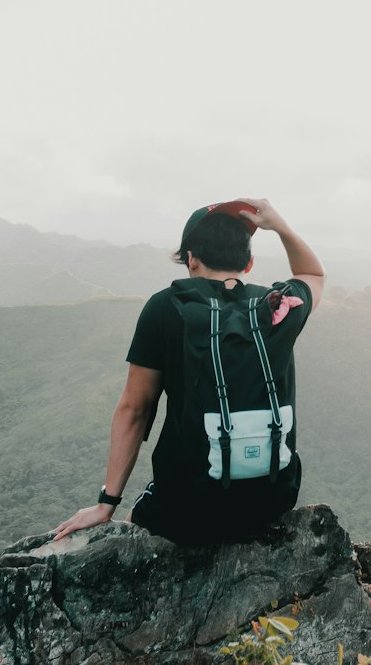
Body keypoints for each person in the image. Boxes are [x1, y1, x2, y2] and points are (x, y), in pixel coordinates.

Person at [52, 197, 325, 546]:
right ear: (250, 262)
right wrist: (281, 226)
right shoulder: (280, 306)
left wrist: (107, 503)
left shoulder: (165, 307)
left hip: (186, 510)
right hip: (271, 503)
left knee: (134, 526)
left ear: (191, 259)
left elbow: (135, 409)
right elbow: (314, 274)